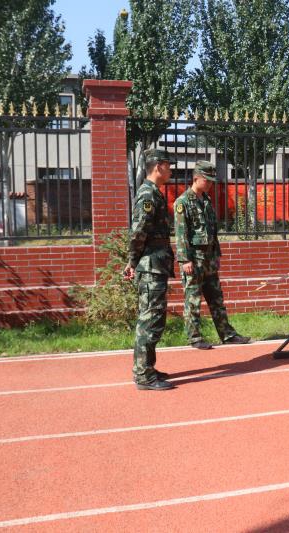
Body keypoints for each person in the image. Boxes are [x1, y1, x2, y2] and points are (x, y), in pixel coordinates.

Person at [174, 160, 250, 349]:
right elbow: (181, 233)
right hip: (193, 260)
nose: (209, 184)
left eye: (211, 181)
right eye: (206, 180)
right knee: (193, 300)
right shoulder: (182, 202)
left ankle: (227, 334)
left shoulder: (206, 201)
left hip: (209, 259)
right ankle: (195, 338)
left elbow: (212, 231)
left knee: (216, 298)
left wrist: (216, 256)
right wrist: (184, 259)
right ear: (196, 178)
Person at [123, 148, 176, 391]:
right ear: (158, 167)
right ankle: (144, 375)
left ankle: (147, 367)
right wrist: (133, 261)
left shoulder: (155, 193)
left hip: (156, 265)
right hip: (150, 267)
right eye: (168, 165)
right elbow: (137, 233)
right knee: (150, 319)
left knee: (154, 318)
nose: (171, 169)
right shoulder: (148, 195)